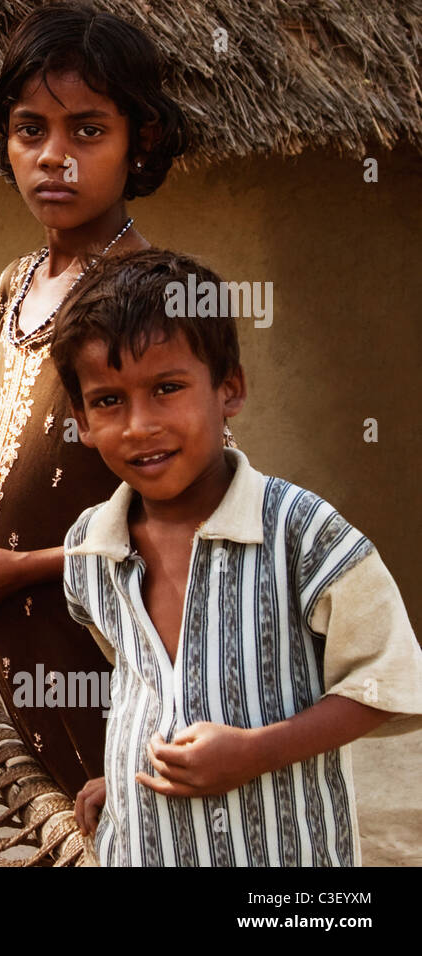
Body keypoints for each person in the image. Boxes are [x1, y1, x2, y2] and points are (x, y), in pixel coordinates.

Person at [0, 1, 189, 798]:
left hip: (116, 666)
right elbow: (22, 467)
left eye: (87, 131)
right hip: (25, 663)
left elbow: (186, 522)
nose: (54, 157)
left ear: (142, 142)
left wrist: (20, 569)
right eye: (32, 131)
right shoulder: (13, 287)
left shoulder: (151, 300)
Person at [52, 248, 422, 865]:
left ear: (230, 389)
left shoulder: (303, 533)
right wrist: (117, 774)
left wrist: (259, 751)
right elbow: (142, 684)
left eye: (167, 388)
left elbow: (389, 680)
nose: (139, 425)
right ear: (81, 419)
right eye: (109, 401)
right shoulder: (91, 547)